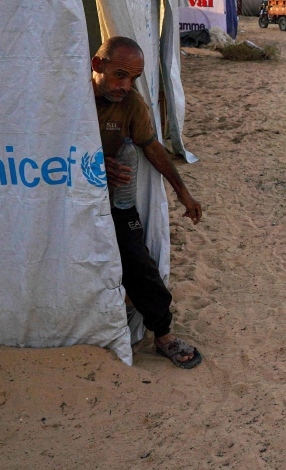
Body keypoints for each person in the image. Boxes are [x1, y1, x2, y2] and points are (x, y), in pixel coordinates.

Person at [93, 36, 204, 369]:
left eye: (134, 79)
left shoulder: (131, 105)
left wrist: (183, 192)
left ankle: (163, 335)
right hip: (72, 206)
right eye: (120, 75)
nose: (126, 85)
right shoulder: (72, 99)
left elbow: (152, 147)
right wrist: (94, 163)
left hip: (117, 204)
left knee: (140, 264)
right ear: (98, 66)